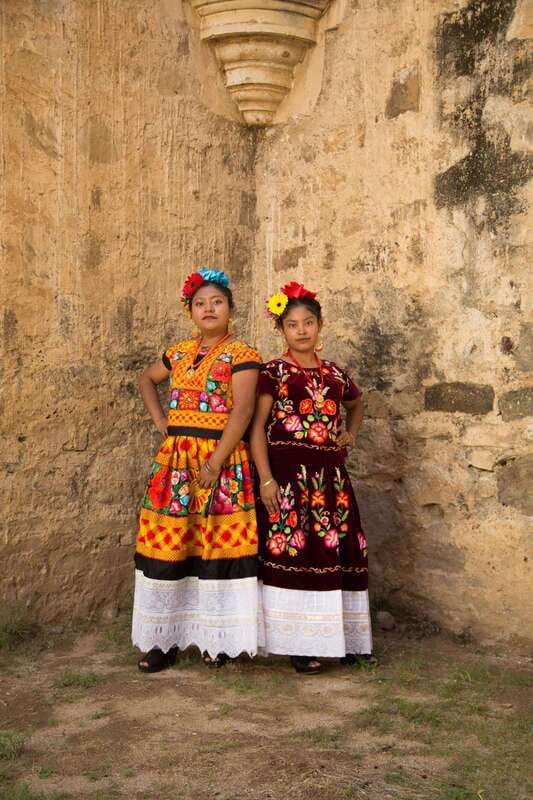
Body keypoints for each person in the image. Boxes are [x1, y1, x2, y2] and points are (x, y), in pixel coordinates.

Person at [132, 268, 262, 672]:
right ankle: (162, 641)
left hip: (219, 463)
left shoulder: (243, 355)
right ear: (190, 311)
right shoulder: (178, 352)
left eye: (217, 302)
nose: (209, 308)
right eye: (200, 303)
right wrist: (162, 423)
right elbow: (146, 380)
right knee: (169, 546)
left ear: (230, 310)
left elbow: (242, 411)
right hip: (176, 463)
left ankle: (216, 640)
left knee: (215, 548)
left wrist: (216, 461)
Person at [250, 281, 374, 674]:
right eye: (292, 324)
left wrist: (350, 433)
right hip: (286, 480)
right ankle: (299, 645)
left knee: (337, 554)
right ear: (281, 330)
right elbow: (257, 429)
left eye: (308, 322)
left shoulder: (337, 375)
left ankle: (347, 640)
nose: (301, 330)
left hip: (331, 482)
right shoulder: (273, 372)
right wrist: (266, 479)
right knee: (295, 555)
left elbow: (357, 403)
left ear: (320, 326)